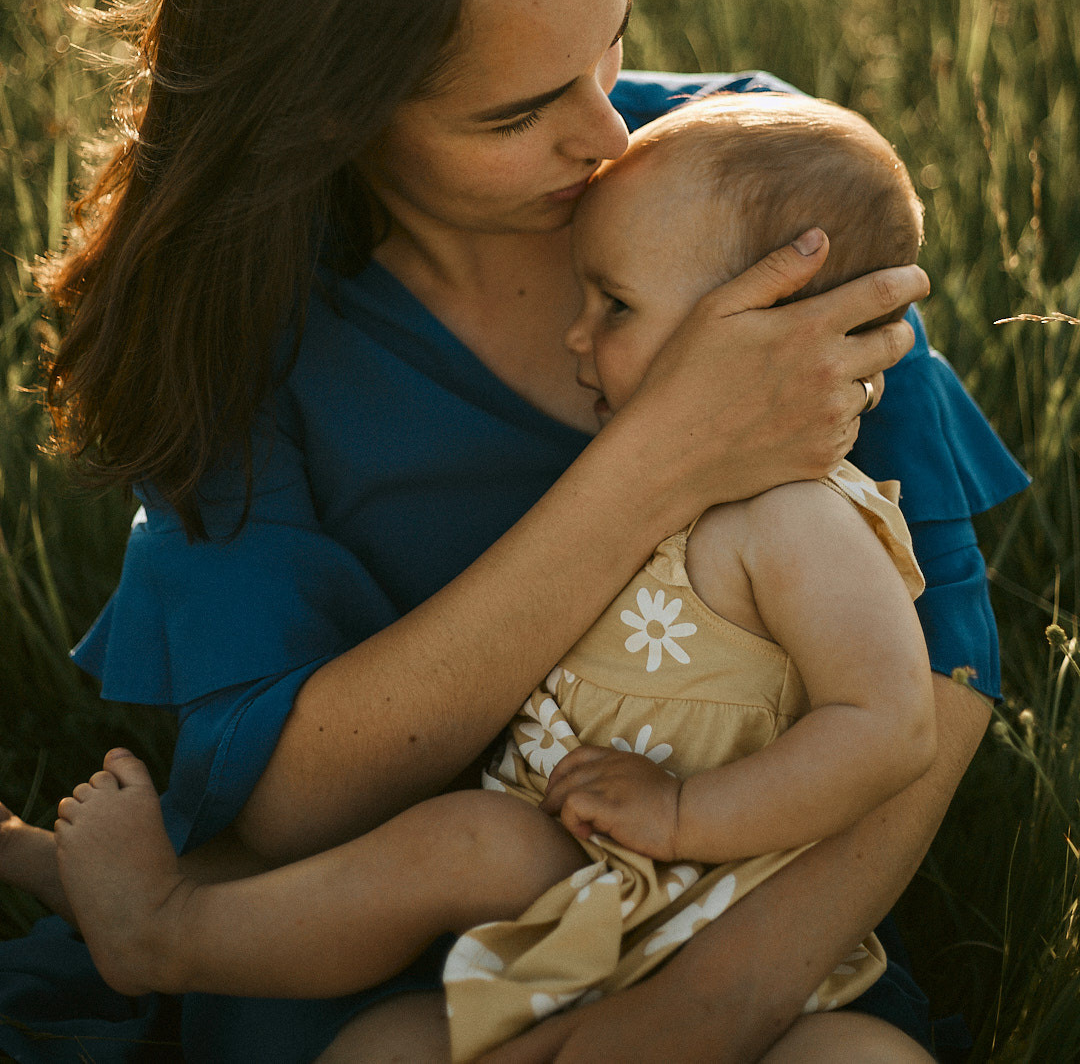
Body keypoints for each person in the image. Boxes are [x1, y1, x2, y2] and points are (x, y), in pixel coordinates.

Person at [0, 0, 1026, 1064]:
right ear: (329, 114)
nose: (609, 135)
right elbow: (293, 801)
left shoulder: (754, 193)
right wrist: (656, 462)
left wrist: (692, 1016)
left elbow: (944, 670)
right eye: (516, 112)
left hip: (743, 930)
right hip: (377, 944)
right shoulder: (250, 323)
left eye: (612, 42)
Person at [50, 93, 938, 1064]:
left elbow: (889, 726)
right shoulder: (648, 490)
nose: (574, 334)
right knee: (413, 962)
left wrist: (686, 816)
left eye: (615, 306)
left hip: (736, 897)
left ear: (766, 320)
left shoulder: (799, 518)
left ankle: (161, 922)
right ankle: (161, 932)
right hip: (573, 888)